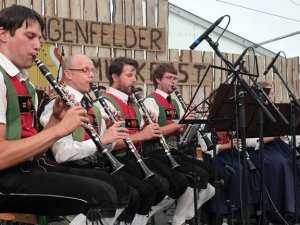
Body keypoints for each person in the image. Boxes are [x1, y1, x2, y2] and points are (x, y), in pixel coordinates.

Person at [0, 4, 118, 223]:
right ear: (3, 34)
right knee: (100, 195)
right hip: (5, 180)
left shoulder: (25, 83)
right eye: (30, 36)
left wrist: (56, 120)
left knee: (112, 186)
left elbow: (34, 151)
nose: (38, 45)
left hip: (27, 168)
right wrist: (60, 131)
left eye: (39, 38)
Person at [39, 54, 141, 225]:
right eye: (85, 70)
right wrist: (101, 140)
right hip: (64, 168)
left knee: (136, 194)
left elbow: (103, 147)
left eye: (92, 70)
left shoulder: (93, 107)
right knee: (119, 188)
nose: (92, 75)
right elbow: (62, 154)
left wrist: (110, 135)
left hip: (92, 165)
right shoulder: (56, 104)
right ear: (69, 74)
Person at [98, 57, 188, 225]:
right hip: (115, 161)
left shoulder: (131, 103)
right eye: (130, 75)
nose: (135, 80)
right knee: (148, 190)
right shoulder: (105, 104)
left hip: (134, 157)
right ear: (115, 77)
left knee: (165, 185)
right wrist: (142, 135)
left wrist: (146, 125)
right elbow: (106, 144)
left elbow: (136, 132)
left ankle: (135, 218)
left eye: (135, 75)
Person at [142, 63, 215, 225]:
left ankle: (184, 215)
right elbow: (154, 131)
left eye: (174, 78)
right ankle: (175, 217)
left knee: (210, 180)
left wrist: (192, 123)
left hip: (174, 151)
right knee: (194, 178)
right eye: (169, 78)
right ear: (157, 79)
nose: (173, 82)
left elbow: (183, 132)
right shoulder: (150, 101)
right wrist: (182, 123)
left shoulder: (175, 104)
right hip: (155, 152)